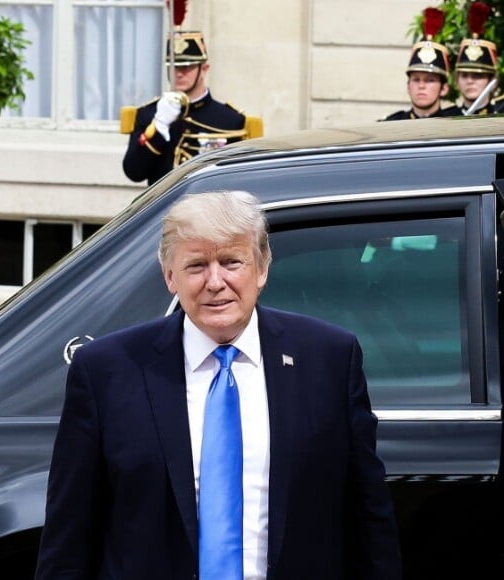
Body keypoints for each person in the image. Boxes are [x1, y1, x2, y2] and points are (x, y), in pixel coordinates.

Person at [35, 190, 402, 579]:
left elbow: (369, 519)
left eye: (231, 262)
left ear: (261, 269)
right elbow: (69, 535)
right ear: (169, 275)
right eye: (196, 265)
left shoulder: (329, 358)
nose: (215, 282)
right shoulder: (107, 371)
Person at [121, 31, 263, 186]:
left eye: (187, 67)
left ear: (204, 69)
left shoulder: (230, 120)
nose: (179, 73)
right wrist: (159, 128)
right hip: (165, 208)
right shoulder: (149, 114)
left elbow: (239, 179)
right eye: (174, 66)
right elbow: (134, 172)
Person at [382, 7, 454, 120]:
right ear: (408, 86)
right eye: (416, 79)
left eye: (430, 80)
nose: (421, 86)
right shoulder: (392, 124)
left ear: (444, 88)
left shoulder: (455, 127)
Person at [445, 1, 504, 116]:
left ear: (492, 81)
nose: (470, 81)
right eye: (464, 75)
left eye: (478, 76)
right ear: (457, 80)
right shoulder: (446, 118)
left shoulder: (500, 116)